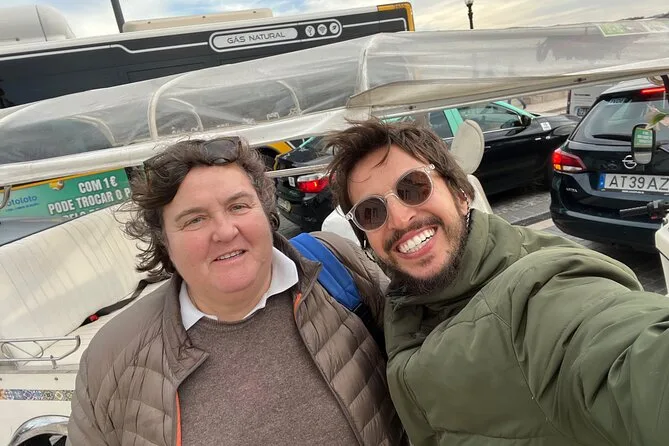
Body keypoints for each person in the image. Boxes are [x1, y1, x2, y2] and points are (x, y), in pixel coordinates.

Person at [326, 119, 669, 445]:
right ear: (367, 241)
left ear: (461, 194)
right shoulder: (405, 307)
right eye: (372, 212)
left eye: (413, 187)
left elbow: (622, 352)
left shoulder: (541, 291)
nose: (400, 219)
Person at [67, 137, 407, 446]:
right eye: (195, 219)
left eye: (238, 206)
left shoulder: (336, 266)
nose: (225, 231)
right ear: (164, 241)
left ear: (265, 210)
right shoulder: (112, 358)